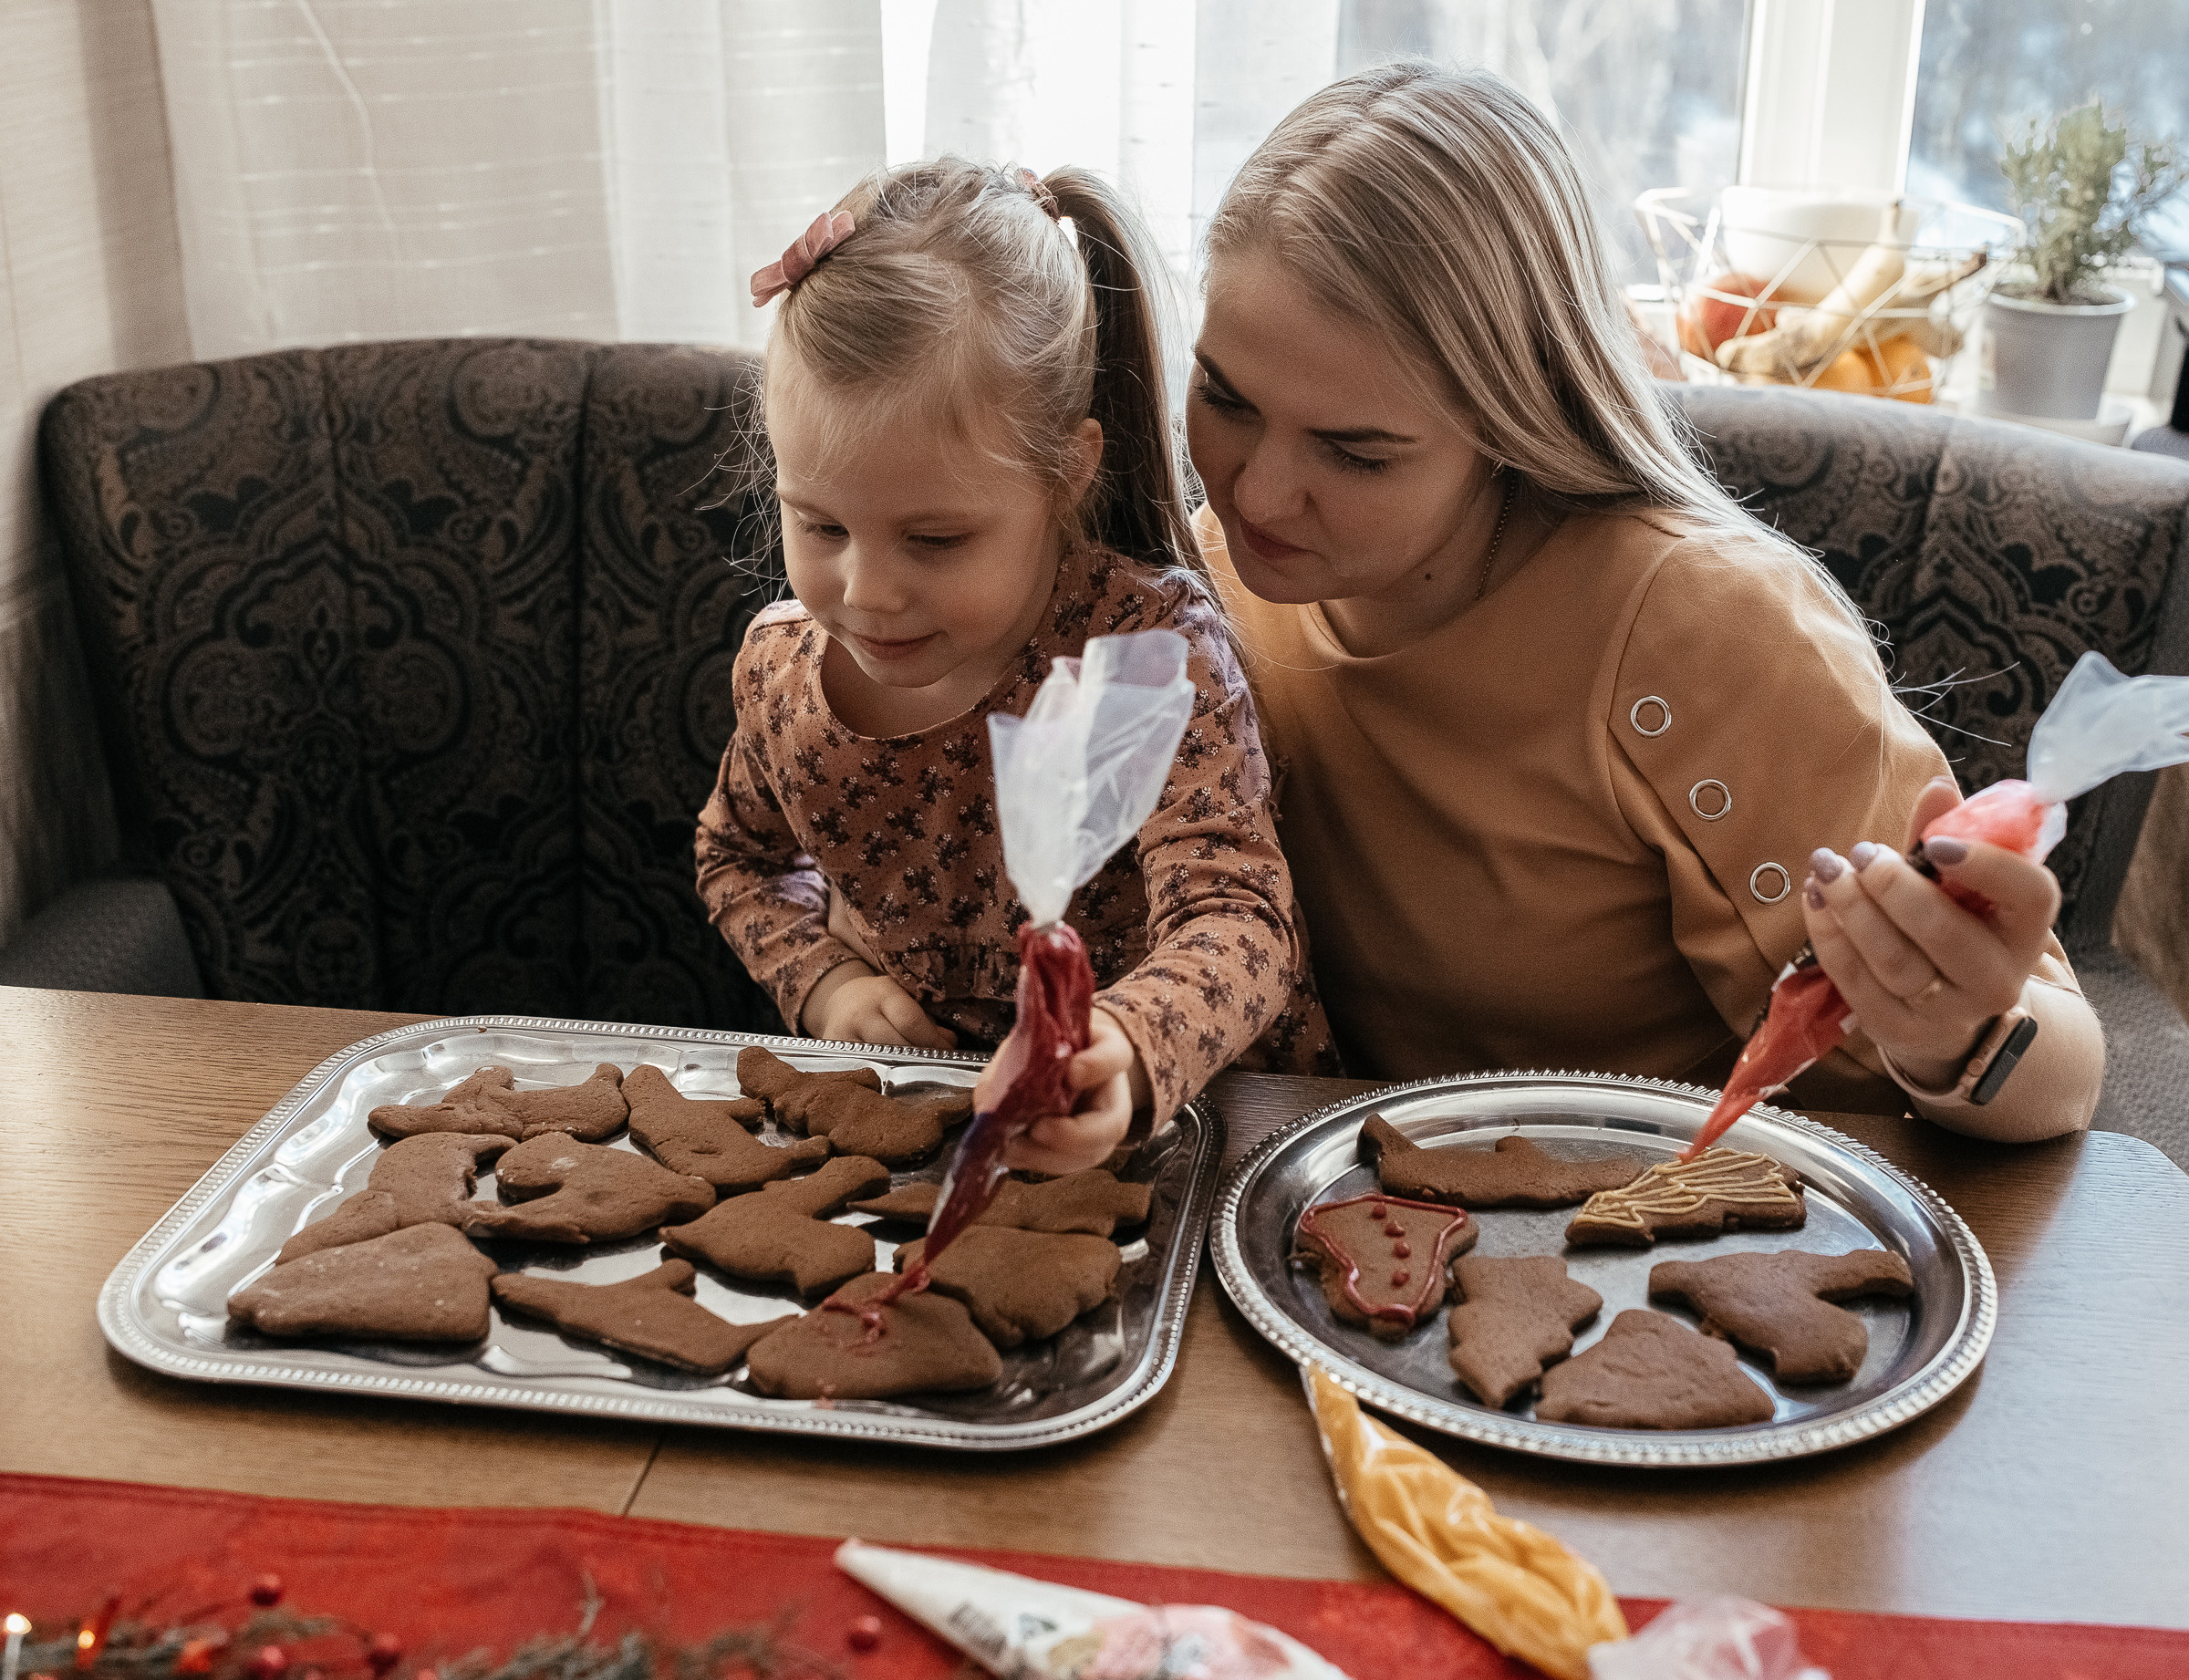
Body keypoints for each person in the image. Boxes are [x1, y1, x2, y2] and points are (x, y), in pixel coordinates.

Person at [1182, 61, 2103, 1141]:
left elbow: (2065, 1075)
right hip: (1355, 1210)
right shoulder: (1204, 576)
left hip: (1691, 1227)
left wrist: (1962, 1037)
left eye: (1356, 453)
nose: (1252, 492)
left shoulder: (1707, 629)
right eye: (1225, 397)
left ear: (1512, 423)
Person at [695, 159, 1333, 1176]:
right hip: (940, 1149)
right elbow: (738, 861)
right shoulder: (782, 675)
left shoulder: (1147, 654)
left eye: (935, 540)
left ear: (1066, 473)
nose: (866, 590)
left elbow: (1240, 920)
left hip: (1194, 1142)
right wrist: (823, 984)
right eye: (820, 524)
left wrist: (1120, 1054)